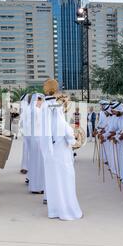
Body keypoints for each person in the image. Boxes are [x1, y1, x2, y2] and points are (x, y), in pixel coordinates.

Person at [43, 91, 83, 220]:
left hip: (51, 152)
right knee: (65, 180)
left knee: (54, 181)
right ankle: (67, 210)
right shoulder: (56, 113)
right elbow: (66, 132)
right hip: (61, 152)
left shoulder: (44, 111)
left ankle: (54, 210)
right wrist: (73, 139)